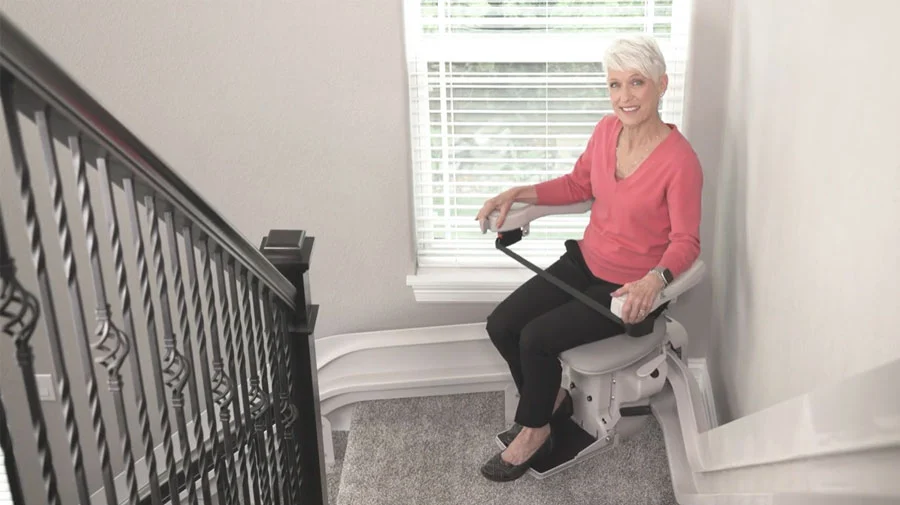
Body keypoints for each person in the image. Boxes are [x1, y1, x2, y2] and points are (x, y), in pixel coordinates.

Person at [475, 35, 703, 482]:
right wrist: (519, 192)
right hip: (584, 262)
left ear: (662, 85)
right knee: (501, 324)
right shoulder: (605, 131)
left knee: (535, 338)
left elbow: (687, 241)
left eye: (636, 83)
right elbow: (579, 185)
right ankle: (554, 402)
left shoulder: (681, 163)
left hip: (625, 289)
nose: (624, 97)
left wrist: (654, 281)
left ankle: (536, 426)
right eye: (614, 85)